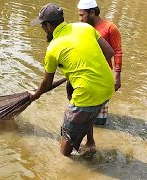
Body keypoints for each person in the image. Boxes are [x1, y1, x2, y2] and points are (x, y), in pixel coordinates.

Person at [30, 3, 115, 157]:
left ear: (48, 26)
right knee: (89, 112)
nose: (43, 30)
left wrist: (35, 95)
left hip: (87, 93)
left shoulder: (53, 48)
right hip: (108, 86)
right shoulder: (85, 28)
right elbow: (109, 52)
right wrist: (86, 70)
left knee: (64, 152)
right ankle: (90, 143)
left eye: (42, 26)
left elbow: (46, 84)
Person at [77, 0, 123, 125]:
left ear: (92, 12)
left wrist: (117, 76)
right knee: (82, 112)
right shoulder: (83, 27)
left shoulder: (110, 28)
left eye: (82, 15)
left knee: (99, 122)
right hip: (85, 73)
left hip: (103, 74)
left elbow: (117, 51)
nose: (80, 19)